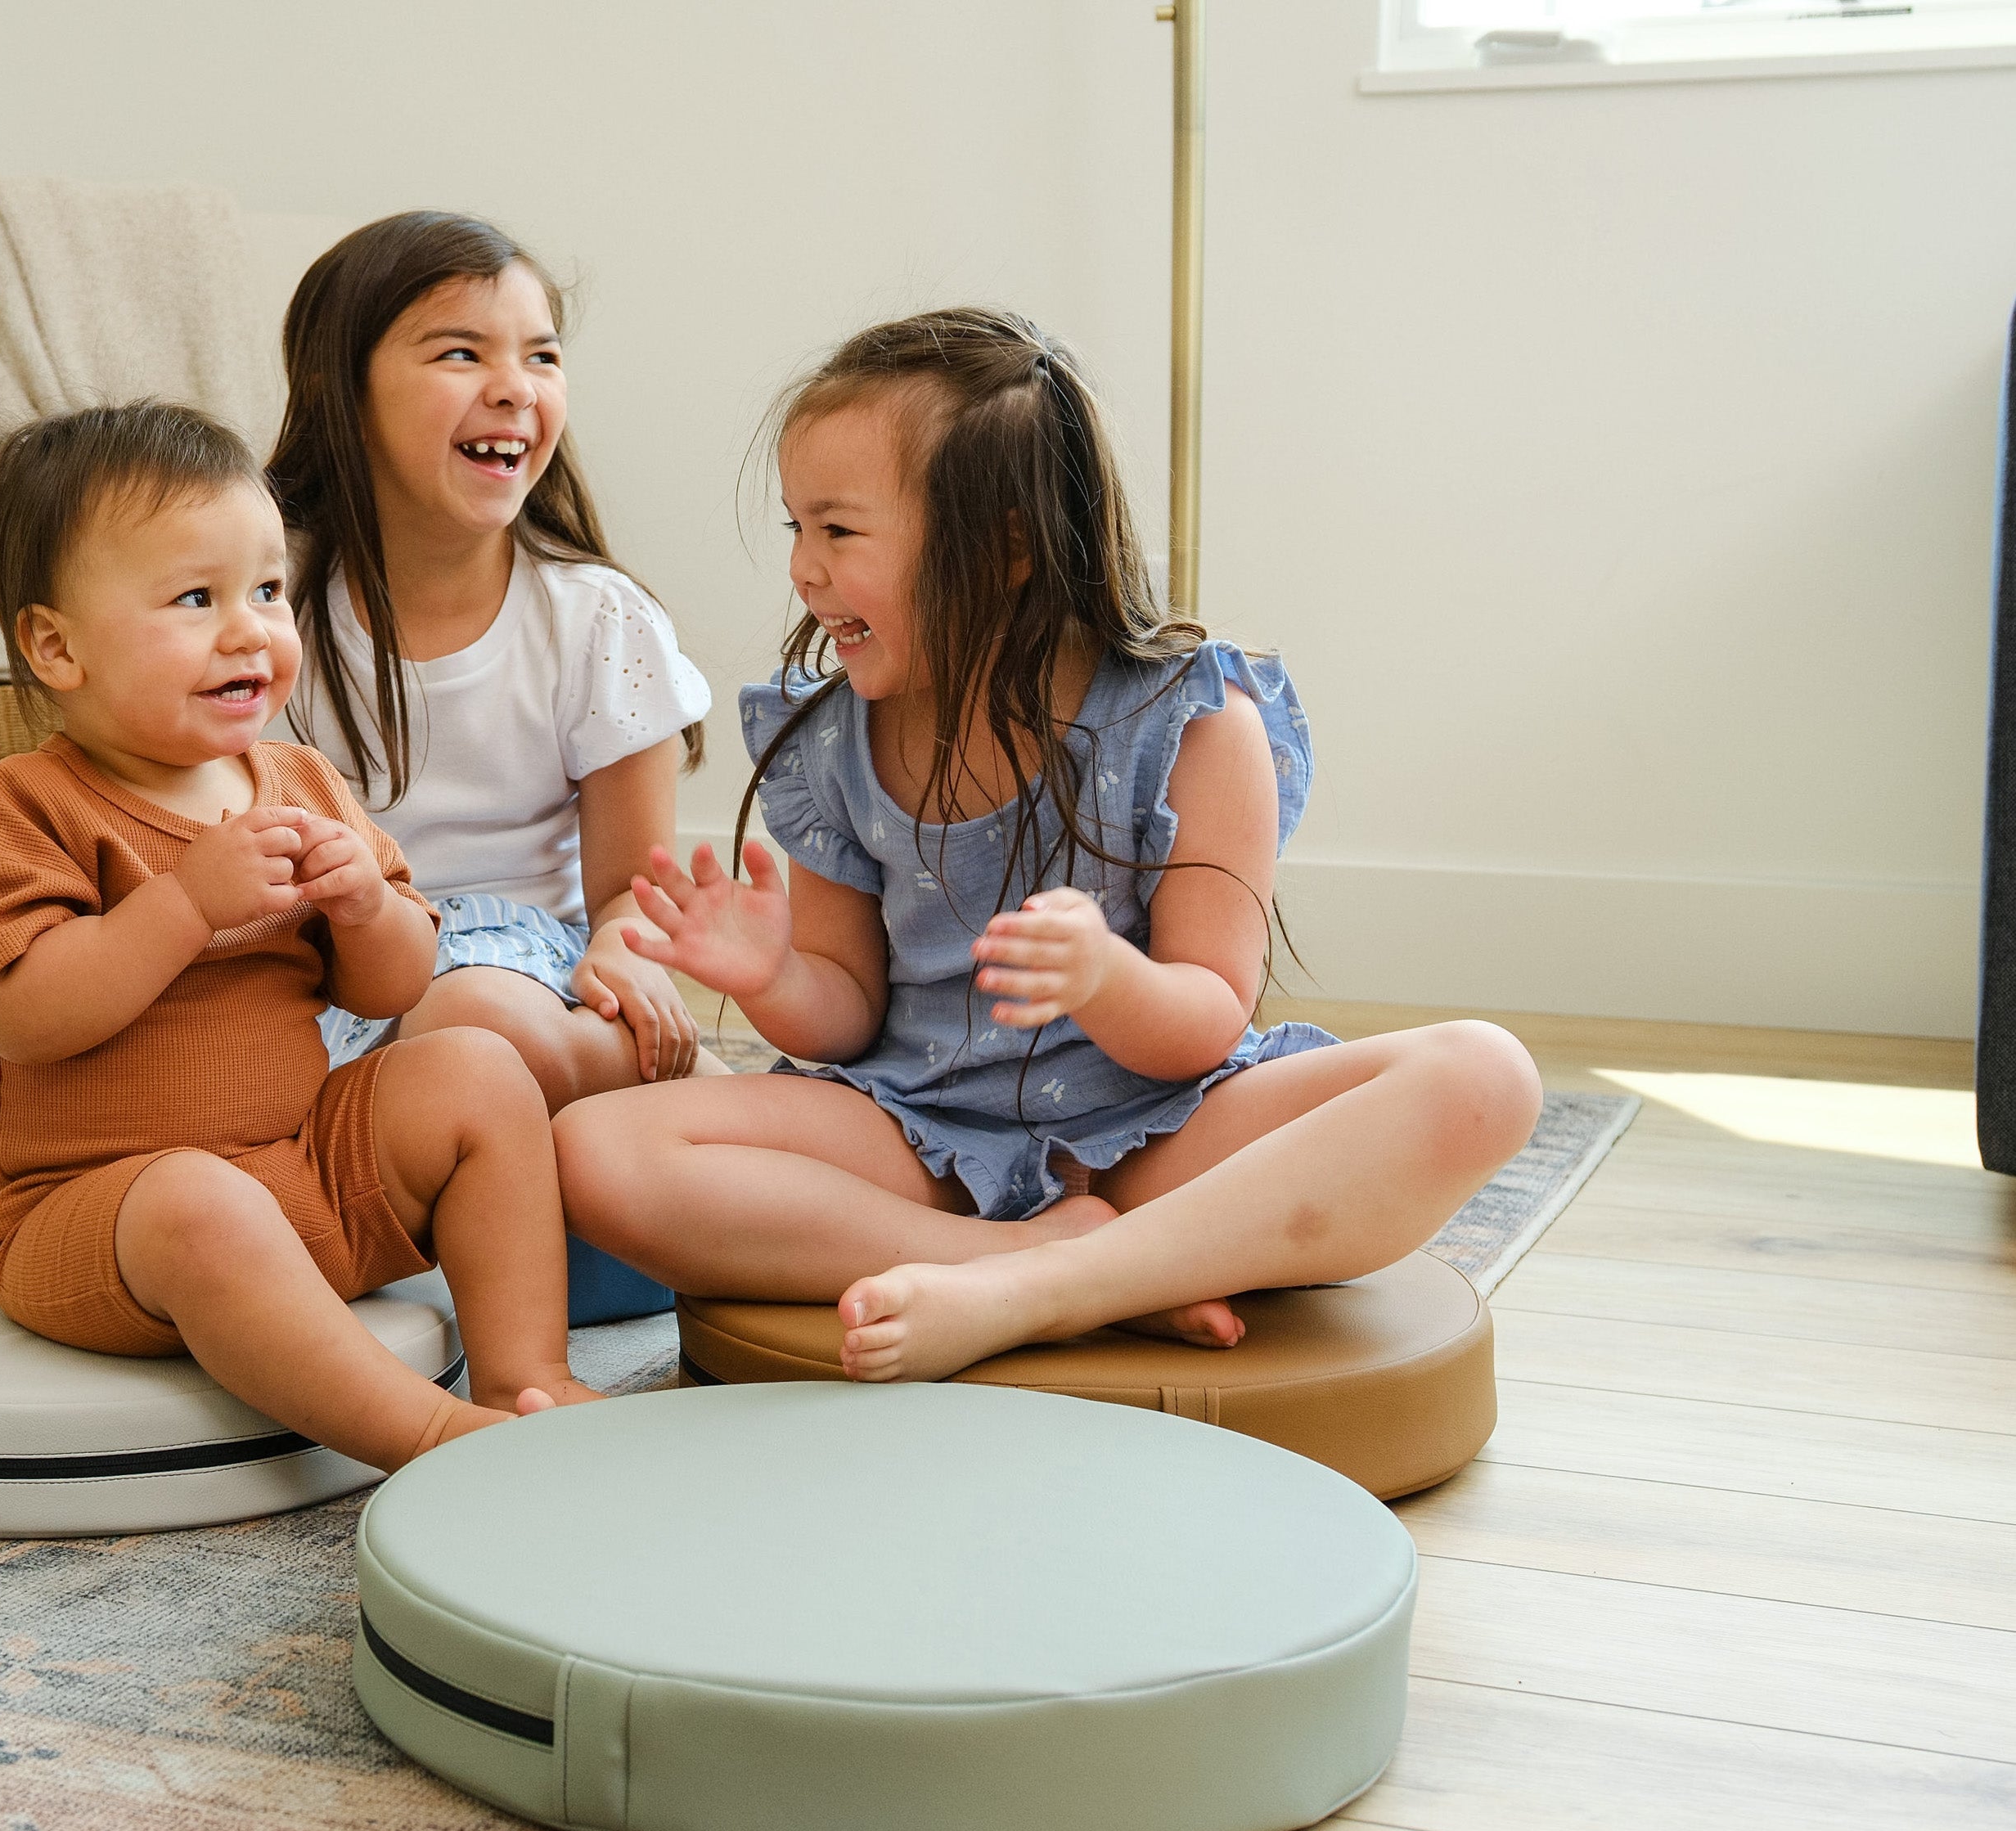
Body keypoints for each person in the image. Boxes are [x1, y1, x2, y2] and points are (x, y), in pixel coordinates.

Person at [556, 308, 1542, 1383]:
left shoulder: (1195, 720)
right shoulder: (834, 736)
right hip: (920, 1136)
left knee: (1482, 1075)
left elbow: (1206, 1017)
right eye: (796, 527)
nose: (801, 568)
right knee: (597, 1148)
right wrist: (774, 974)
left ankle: (1053, 1288)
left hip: (1159, 1137)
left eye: (838, 532)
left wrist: (1105, 977)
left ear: (1007, 545)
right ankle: (1026, 1257)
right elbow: (845, 1018)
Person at [0, 399, 595, 1470]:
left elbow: (394, 989)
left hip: (297, 1177)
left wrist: (363, 908)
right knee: (198, 1199)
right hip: (104, 1223)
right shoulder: (30, 805)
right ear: (56, 646)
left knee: (474, 1067)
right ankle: (429, 1434)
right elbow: (24, 1017)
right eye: (196, 599)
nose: (250, 630)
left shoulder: (299, 781)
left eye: (267, 591)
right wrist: (185, 903)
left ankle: (531, 1377)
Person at [268, 210, 718, 1111]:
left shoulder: (595, 618)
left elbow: (633, 890)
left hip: (515, 964)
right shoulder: (271, 607)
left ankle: (676, 1101)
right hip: (335, 980)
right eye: (461, 354)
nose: (516, 388)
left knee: (469, 1019)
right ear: (338, 389)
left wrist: (622, 952)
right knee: (18, 1066)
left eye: (542, 357)